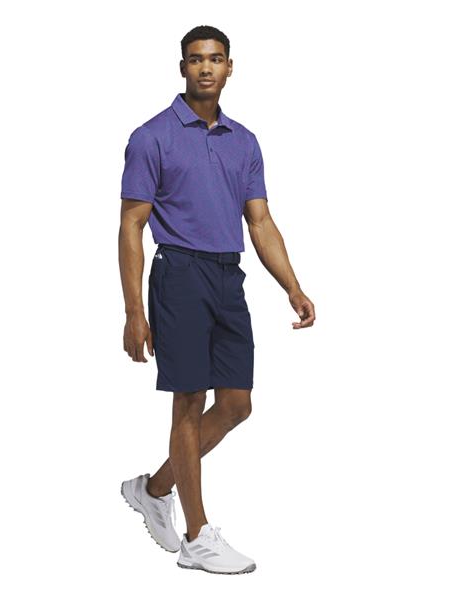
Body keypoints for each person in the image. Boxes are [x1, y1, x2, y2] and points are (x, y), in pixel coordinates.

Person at [118, 25, 316, 575]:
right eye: (195, 59)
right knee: (189, 401)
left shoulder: (244, 141)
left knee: (236, 404)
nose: (206, 67)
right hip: (179, 273)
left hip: (229, 277)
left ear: (230, 67)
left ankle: (153, 489)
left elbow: (261, 222)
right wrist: (134, 311)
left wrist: (293, 286)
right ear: (182, 67)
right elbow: (131, 225)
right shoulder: (151, 137)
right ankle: (197, 537)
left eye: (216, 59)